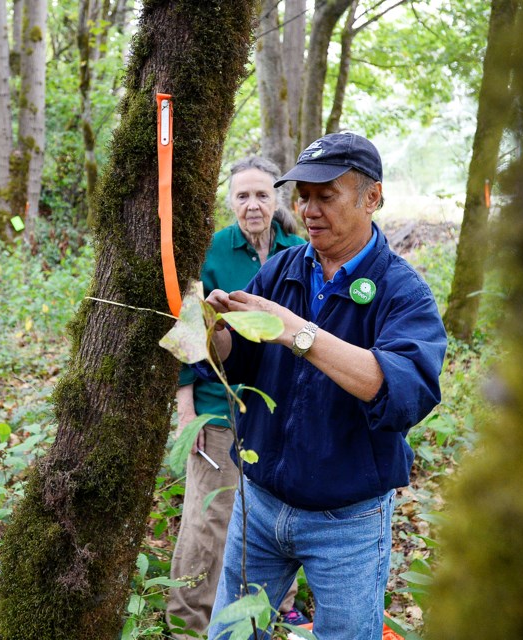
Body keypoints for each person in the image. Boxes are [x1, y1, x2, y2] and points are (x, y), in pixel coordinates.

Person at [202, 132, 447, 640]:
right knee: (231, 634)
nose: (309, 210)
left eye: (326, 195)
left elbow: (403, 390)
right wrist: (213, 331)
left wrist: (298, 332)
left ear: (371, 197)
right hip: (259, 504)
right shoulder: (284, 269)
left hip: (348, 523)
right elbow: (239, 361)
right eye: (303, 196)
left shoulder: (403, 292)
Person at [167, 157, 306, 639]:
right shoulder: (210, 251)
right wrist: (187, 411)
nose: (253, 205)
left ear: (277, 201)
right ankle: (188, 622)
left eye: (262, 195)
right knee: (208, 521)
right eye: (243, 195)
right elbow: (187, 333)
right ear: (230, 201)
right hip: (217, 405)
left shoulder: (297, 250)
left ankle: (277, 606)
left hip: (275, 411)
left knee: (273, 514)